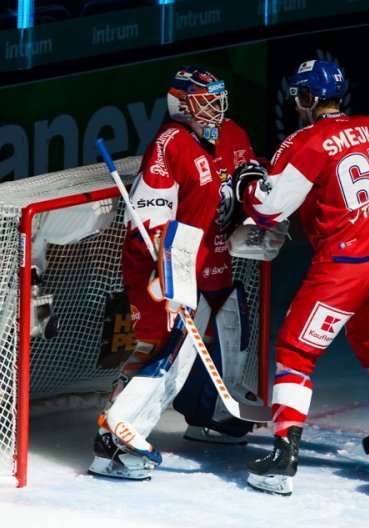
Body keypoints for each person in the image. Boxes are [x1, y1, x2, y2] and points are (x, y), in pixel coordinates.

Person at [232, 59, 369, 496]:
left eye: (299, 99)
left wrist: (245, 186)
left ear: (307, 99)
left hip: (344, 269)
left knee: (294, 348)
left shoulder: (304, 141)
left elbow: (269, 209)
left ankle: (283, 457)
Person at [89, 65, 260, 480]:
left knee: (226, 323)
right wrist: (162, 275)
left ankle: (213, 416)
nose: (215, 108)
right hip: (163, 265)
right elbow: (146, 222)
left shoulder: (229, 136)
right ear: (181, 105)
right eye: (205, 101)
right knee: (163, 349)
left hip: (207, 261)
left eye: (218, 98)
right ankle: (114, 442)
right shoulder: (171, 143)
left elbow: (251, 184)